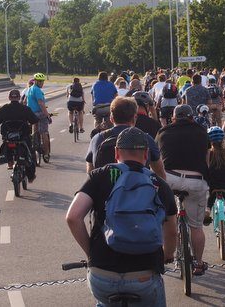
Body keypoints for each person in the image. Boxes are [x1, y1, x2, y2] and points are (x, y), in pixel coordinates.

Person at [66, 127, 177, 307]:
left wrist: (91, 253)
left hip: (102, 274)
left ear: (116, 153)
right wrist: (167, 255)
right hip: (143, 276)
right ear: (146, 154)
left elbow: (73, 217)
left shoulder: (99, 175)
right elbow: (171, 231)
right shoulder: (159, 184)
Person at [156, 105, 210, 276]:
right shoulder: (201, 131)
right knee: (196, 226)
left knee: (166, 218)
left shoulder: (163, 132)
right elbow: (207, 159)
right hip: (195, 180)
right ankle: (199, 263)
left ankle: (168, 250)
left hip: (170, 179)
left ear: (173, 118)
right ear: (191, 117)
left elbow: (158, 160)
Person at [85, 97, 165, 180]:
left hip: (105, 190)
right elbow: (160, 172)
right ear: (135, 118)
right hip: (137, 189)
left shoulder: (98, 138)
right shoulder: (145, 138)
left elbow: (90, 171)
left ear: (111, 118)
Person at [0, 89, 39, 181]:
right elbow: (34, 120)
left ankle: (9, 162)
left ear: (9, 98)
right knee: (30, 153)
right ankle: (30, 176)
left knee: (6, 144)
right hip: (23, 137)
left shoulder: (4, 108)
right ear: (19, 98)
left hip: (8, 137)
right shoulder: (25, 109)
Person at [26, 72, 51, 159]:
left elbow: (25, 102)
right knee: (44, 132)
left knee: (35, 129)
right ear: (36, 81)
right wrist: (47, 115)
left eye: (42, 81)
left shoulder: (29, 89)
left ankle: (34, 142)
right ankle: (46, 153)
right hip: (39, 113)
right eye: (41, 81)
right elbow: (41, 103)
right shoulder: (37, 90)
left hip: (31, 114)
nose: (42, 83)